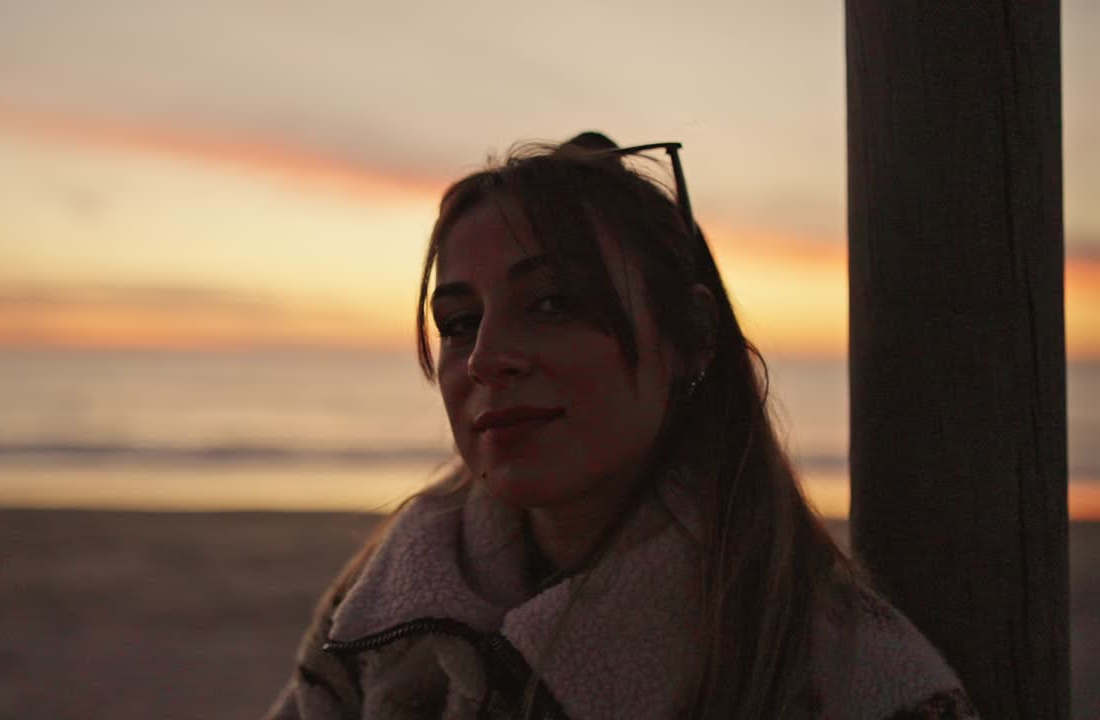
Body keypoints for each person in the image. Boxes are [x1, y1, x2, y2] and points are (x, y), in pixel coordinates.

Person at [265, 132, 978, 719]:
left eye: (550, 304)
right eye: (458, 323)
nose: (485, 360)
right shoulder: (383, 610)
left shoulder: (842, 672)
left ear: (692, 337)